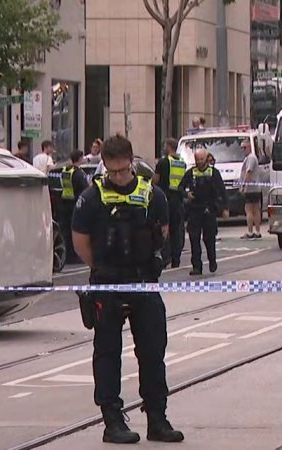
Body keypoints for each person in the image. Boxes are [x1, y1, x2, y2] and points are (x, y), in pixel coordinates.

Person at [71, 134, 184, 444]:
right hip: (107, 284)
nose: (118, 177)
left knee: (153, 351)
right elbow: (80, 241)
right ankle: (112, 420)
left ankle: (157, 418)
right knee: (107, 353)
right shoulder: (92, 197)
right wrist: (104, 269)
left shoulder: (152, 196)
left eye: (123, 170)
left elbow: (162, 232)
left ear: (132, 163)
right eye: (113, 171)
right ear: (105, 166)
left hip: (143, 283)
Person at [179, 148, 228, 275]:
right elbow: (180, 187)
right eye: (197, 159)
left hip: (209, 209)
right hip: (195, 209)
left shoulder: (213, 173)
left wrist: (224, 208)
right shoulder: (191, 173)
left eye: (201, 159)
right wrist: (186, 194)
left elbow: (222, 191)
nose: (199, 162)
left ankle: (212, 261)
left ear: (206, 159)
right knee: (194, 239)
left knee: (209, 238)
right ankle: (196, 266)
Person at [153, 138, 187, 268]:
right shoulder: (182, 163)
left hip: (165, 198)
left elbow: (155, 180)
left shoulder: (163, 162)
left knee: (164, 228)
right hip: (177, 199)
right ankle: (176, 259)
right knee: (176, 230)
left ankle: (165, 257)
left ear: (168, 147)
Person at [58, 150, 89, 262]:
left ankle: (67, 255)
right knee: (74, 230)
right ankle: (74, 256)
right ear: (80, 158)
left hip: (64, 202)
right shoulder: (79, 173)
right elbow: (85, 188)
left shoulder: (66, 170)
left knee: (66, 231)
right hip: (74, 204)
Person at [239, 140, 262, 239]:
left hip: (251, 188)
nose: (243, 150)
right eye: (242, 148)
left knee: (249, 209)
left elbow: (249, 172)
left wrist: (245, 186)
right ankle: (257, 231)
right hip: (255, 187)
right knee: (255, 209)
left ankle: (250, 231)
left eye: (244, 147)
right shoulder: (250, 158)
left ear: (249, 147)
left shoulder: (251, 158)